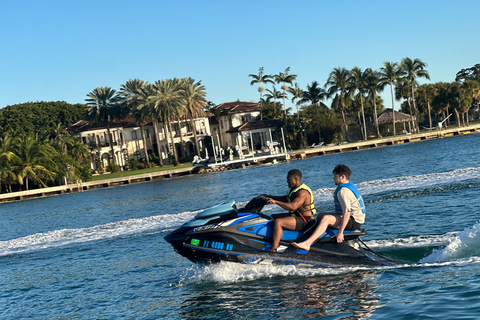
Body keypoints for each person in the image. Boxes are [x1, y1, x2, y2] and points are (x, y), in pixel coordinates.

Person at [292, 164, 365, 251]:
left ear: (342, 177)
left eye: (335, 176)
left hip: (354, 221)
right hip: (352, 217)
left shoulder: (343, 192)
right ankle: (312, 236)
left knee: (326, 219)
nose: (333, 178)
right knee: (320, 216)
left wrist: (340, 232)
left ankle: (307, 244)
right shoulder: (348, 185)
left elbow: (347, 213)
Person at [263, 169, 316, 252]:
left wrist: (275, 202)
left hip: (305, 221)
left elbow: (293, 207)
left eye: (289, 179)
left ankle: (273, 250)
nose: (287, 181)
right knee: (272, 217)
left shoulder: (302, 192)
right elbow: (285, 198)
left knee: (279, 222)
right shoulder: (293, 190)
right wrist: (269, 196)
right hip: (296, 217)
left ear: (296, 179)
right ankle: (272, 240)